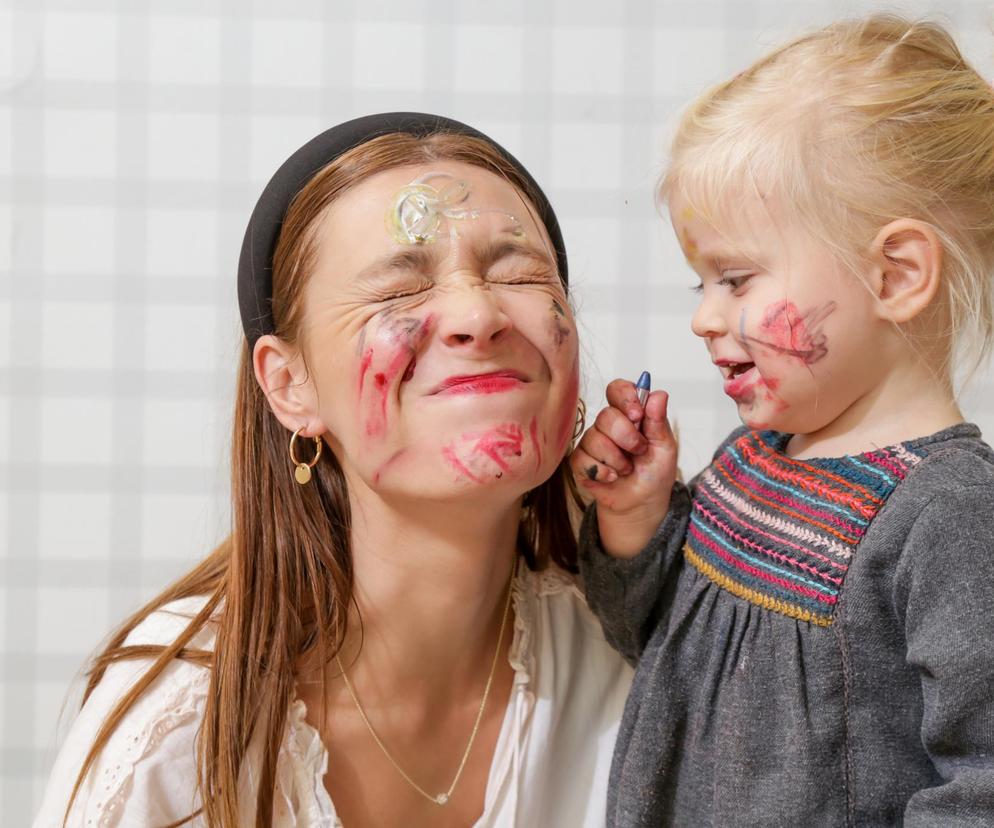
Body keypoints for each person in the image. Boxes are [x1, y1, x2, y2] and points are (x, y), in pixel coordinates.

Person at [34, 113, 632, 827]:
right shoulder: (176, 734)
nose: (478, 312)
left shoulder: (632, 664)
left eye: (519, 273)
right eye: (398, 292)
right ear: (289, 385)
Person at [571, 15, 994, 827]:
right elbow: (651, 645)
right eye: (702, 284)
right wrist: (636, 516)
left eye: (734, 278)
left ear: (895, 275)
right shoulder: (752, 460)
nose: (704, 318)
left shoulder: (950, 516)